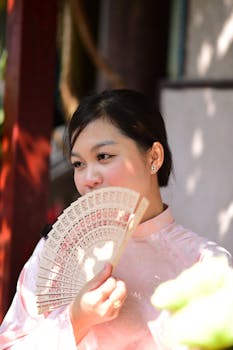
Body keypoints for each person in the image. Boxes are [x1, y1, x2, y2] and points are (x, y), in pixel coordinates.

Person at [0, 89, 232, 349]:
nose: (89, 178)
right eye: (78, 164)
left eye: (103, 157)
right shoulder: (56, 251)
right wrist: (76, 320)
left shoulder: (204, 261)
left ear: (153, 157)